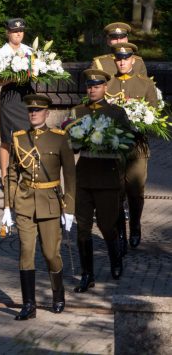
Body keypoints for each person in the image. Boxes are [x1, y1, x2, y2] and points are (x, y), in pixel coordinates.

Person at [2, 94, 75, 320]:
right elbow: (12, 174)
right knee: (26, 253)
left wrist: (69, 209)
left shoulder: (60, 139)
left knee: (51, 254)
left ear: (47, 113)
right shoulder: (19, 138)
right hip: (25, 202)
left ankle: (58, 294)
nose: (33, 113)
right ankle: (29, 305)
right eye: (30, 110)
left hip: (50, 203)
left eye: (38, 110)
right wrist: (7, 206)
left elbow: (70, 177)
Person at [66, 68, 130, 290]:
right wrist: (76, 140)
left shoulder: (116, 112)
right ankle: (87, 274)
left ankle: (116, 260)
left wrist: (110, 141)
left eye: (96, 86)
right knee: (83, 229)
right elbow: (70, 146)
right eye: (89, 86)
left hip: (107, 178)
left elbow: (128, 142)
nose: (92, 89)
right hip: (84, 178)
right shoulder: (77, 111)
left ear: (105, 87)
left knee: (107, 226)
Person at [106, 42, 159, 252]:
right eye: (118, 59)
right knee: (116, 191)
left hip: (137, 147)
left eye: (125, 58)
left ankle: (135, 225)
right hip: (114, 147)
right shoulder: (108, 84)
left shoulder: (146, 84)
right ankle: (120, 232)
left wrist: (140, 118)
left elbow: (154, 116)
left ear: (133, 60)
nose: (122, 62)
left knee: (135, 191)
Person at [0, 18, 34, 185]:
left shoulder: (30, 51)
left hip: (27, 95)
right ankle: (5, 177)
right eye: (15, 31)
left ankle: (27, 175)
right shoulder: (0, 53)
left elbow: (36, 71)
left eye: (21, 31)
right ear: (8, 32)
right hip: (10, 98)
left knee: (28, 137)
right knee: (7, 139)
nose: (18, 34)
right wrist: (12, 78)